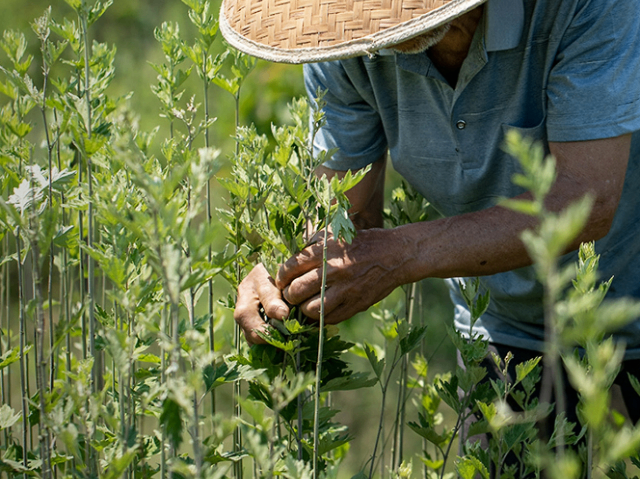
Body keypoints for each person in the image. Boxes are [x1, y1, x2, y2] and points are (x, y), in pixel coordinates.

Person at [220, 0, 640, 424]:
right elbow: (348, 216)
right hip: (500, 322)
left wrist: (402, 254)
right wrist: (288, 277)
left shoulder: (588, 7)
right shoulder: (342, 34)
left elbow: (584, 202)